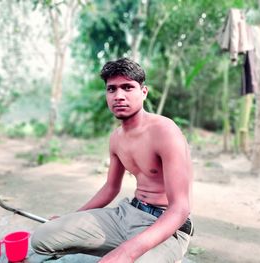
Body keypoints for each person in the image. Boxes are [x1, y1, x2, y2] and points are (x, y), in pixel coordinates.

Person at [31, 58, 194, 263]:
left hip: (166, 226)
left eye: (127, 87)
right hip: (127, 214)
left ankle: (147, 252)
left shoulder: (165, 131)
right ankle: (127, 246)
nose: (119, 96)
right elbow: (110, 188)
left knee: (129, 256)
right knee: (42, 236)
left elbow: (180, 208)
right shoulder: (116, 138)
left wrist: (127, 253)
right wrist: (69, 217)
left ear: (143, 92)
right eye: (112, 89)